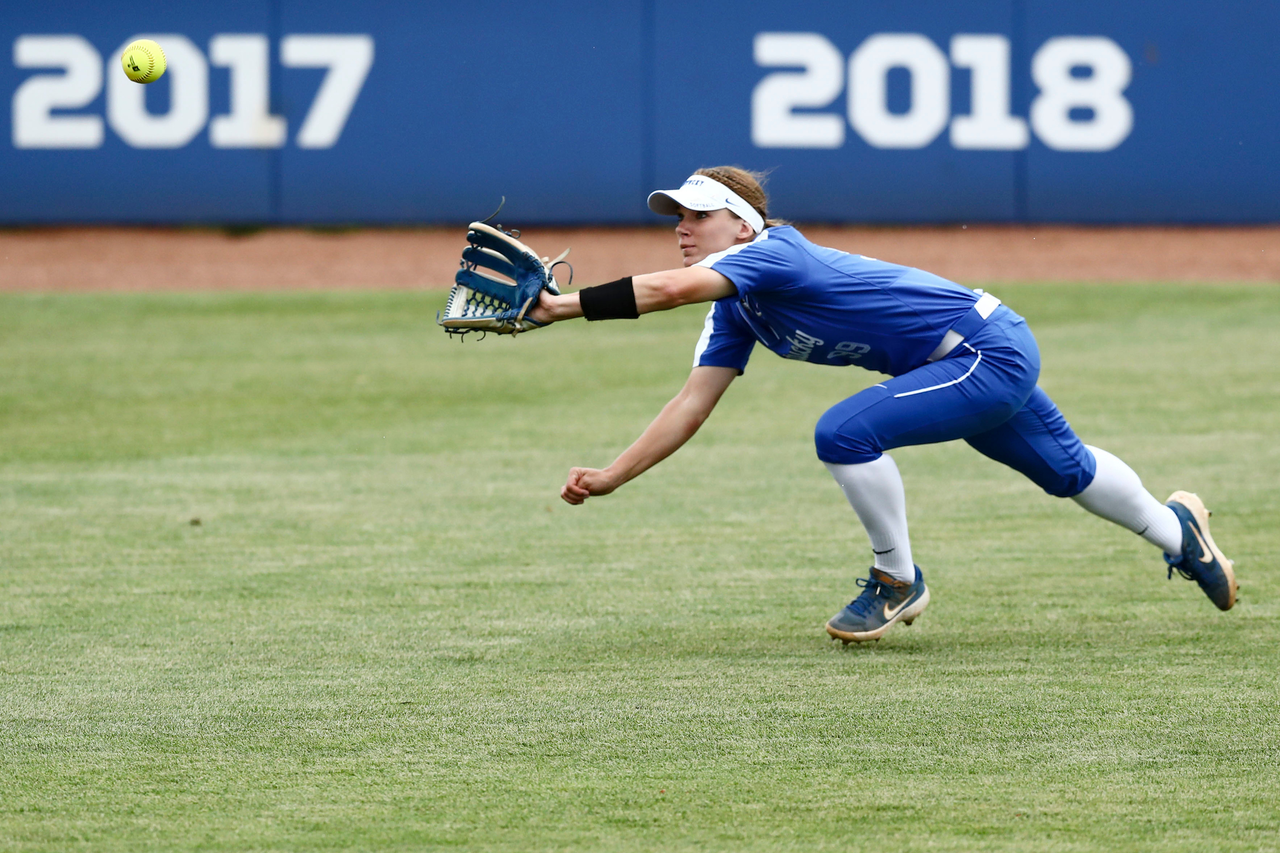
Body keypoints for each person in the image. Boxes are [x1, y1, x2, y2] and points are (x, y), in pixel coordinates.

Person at [527, 166, 1237, 643]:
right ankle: (1181, 534)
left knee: (844, 432)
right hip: (964, 361)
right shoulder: (736, 308)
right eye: (677, 218)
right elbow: (692, 402)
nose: (682, 228)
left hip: (983, 351)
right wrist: (614, 474)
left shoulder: (774, 254)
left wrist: (560, 308)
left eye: (699, 215)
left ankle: (897, 578)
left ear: (742, 226)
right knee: (1066, 470)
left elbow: (668, 290)